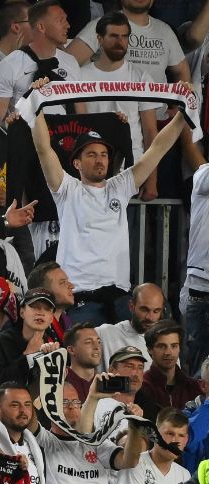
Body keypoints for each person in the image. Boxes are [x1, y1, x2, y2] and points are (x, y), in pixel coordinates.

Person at [33, 109, 188, 324]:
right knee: (86, 356)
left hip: (119, 296)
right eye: (91, 154)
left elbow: (158, 148)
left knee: (137, 353)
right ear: (76, 163)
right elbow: (43, 149)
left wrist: (183, 113)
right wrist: (37, 106)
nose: (100, 160)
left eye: (104, 154)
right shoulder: (67, 189)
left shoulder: (119, 187)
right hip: (81, 296)